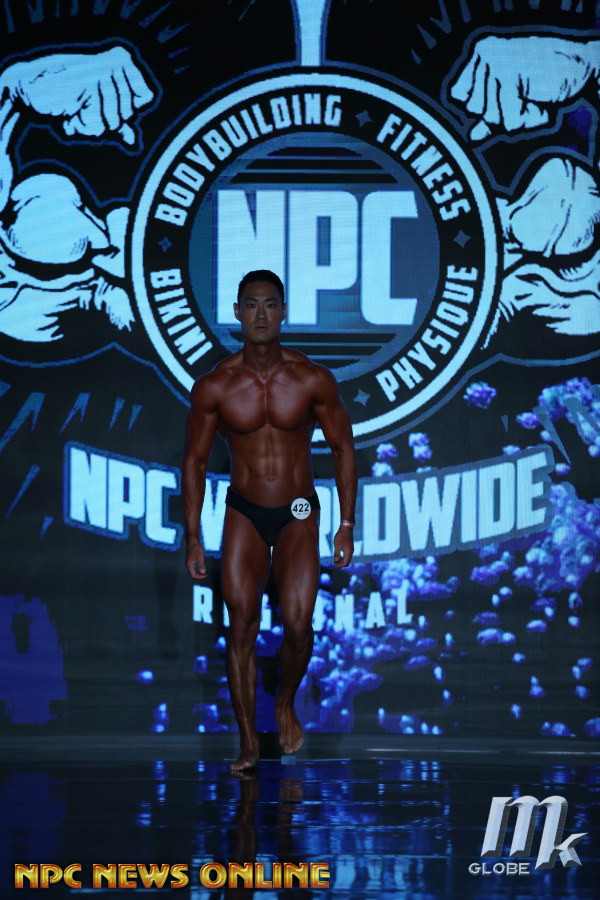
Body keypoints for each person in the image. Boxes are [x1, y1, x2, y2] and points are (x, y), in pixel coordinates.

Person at [182, 269, 357, 771]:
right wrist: (193, 537)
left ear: (284, 312)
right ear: (237, 312)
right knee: (241, 625)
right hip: (244, 509)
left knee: (298, 625)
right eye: (252, 305)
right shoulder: (215, 385)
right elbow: (194, 462)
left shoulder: (312, 379)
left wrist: (346, 524)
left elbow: (343, 448)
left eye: (270, 304)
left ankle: (284, 702)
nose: (261, 314)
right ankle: (247, 743)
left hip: (299, 508)